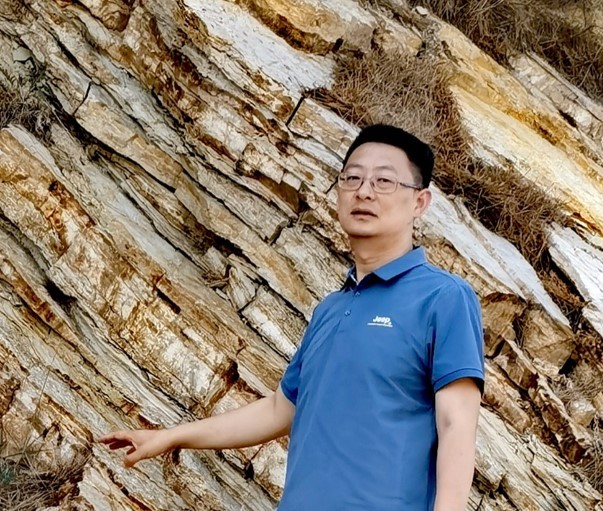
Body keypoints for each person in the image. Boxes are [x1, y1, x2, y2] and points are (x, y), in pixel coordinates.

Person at [100, 124, 485, 511]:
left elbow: (456, 424)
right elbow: (278, 411)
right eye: (352, 177)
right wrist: (171, 436)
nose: (364, 191)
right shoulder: (330, 309)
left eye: (384, 181)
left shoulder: (443, 298)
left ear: (419, 202)